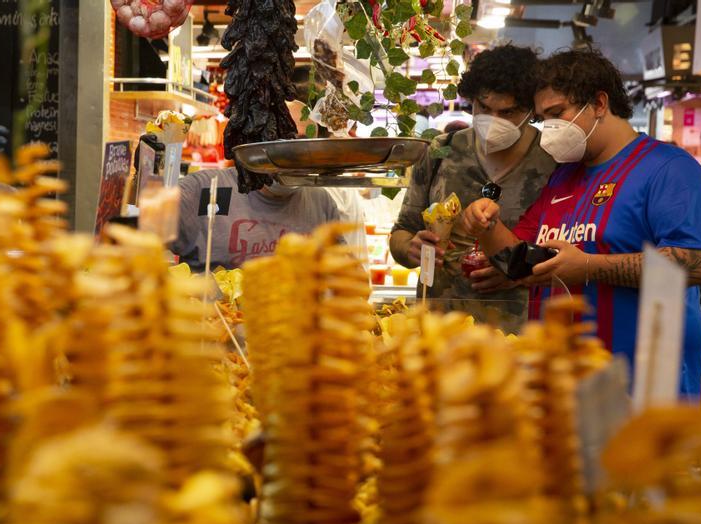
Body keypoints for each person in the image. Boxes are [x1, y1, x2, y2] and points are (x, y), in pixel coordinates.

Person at [460, 49, 701, 397]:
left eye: (557, 114)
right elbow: (517, 261)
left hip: (643, 387)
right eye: (542, 119)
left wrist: (588, 267)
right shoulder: (563, 178)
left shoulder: (668, 169)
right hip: (562, 387)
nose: (549, 128)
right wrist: (486, 225)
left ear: (599, 103)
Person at [389, 44, 556, 333]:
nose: (494, 121)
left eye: (508, 112)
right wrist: (411, 248)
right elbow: (401, 232)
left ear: (531, 110)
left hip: (516, 331)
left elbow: (566, 254)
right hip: (437, 327)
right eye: (484, 108)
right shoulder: (442, 151)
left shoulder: (552, 160)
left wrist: (520, 273)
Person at [173, 168, 362, 270]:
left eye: (303, 141)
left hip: (295, 335)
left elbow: (349, 277)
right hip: (211, 335)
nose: (294, 153)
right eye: (283, 139)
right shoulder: (208, 188)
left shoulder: (321, 201)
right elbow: (147, 233)